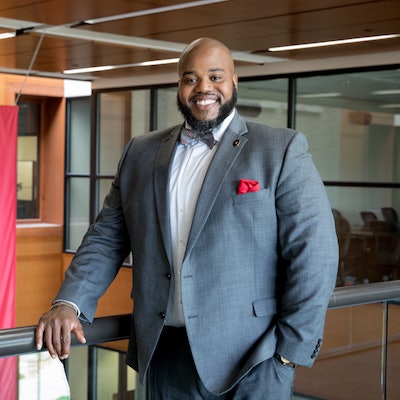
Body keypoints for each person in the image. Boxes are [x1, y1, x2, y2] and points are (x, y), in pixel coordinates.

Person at [36, 37, 338, 399]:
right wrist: (68, 302)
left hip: (255, 360)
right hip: (166, 356)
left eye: (215, 76)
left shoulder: (280, 149)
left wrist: (288, 355)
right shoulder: (141, 152)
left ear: (234, 81)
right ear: (179, 86)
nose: (203, 88)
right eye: (190, 78)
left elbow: (314, 253)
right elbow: (107, 237)